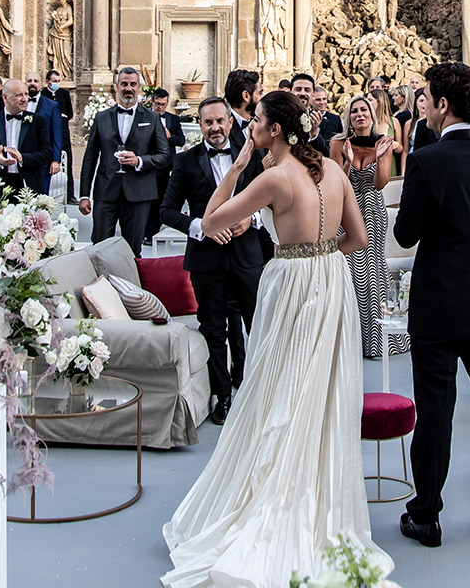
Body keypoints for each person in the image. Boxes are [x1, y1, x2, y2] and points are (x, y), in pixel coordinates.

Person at [162, 90, 380, 588]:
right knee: (318, 392)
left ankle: (275, 494)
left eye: (256, 121)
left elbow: (211, 221)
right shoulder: (332, 167)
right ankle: (314, 495)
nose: (250, 128)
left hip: (291, 281)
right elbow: (360, 241)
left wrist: (238, 166)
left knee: (277, 387)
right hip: (332, 278)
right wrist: (322, 257)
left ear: (275, 129)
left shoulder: (275, 177)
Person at [392, 63, 470, 546]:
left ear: (443, 105)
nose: (423, 104)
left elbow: (406, 234)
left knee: (435, 413)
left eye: (427, 96)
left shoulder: (427, 160)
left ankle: (426, 515)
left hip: (438, 306)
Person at [159, 98, 271, 426]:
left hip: (247, 255)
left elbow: (271, 200)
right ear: (200, 124)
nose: (215, 128)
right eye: (208, 122)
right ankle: (221, 396)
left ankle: (259, 391)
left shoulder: (252, 157)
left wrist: (251, 219)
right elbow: (166, 210)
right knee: (212, 329)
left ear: (230, 122)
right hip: (207, 260)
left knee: (257, 324)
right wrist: (201, 229)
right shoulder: (186, 161)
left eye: (220, 121)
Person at [330, 95, 408, 359]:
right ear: (348, 117)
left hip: (373, 210)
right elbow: (336, 182)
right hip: (345, 210)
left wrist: (379, 155)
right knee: (349, 270)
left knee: (373, 270)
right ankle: (348, 340)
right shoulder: (338, 143)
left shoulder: (382, 142)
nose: (359, 115)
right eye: (354, 111)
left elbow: (380, 183)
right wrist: (350, 161)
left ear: (372, 116)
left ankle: (376, 340)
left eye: (364, 110)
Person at [79, 66, 173, 250]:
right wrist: (84, 194)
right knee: (99, 247)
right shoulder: (101, 118)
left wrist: (139, 161)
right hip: (106, 192)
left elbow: (164, 157)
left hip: (139, 193)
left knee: (132, 250)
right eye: (124, 84)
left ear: (139, 88)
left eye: (132, 84)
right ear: (117, 87)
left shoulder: (152, 118)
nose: (128, 88)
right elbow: (90, 158)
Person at [0, 78, 56, 197]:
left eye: (26, 94)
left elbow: (47, 154)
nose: (25, 99)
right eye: (19, 95)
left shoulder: (38, 121)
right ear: (5, 97)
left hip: (29, 187)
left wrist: (22, 158)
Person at [222, 68, 260, 133]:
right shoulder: (223, 129)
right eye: (260, 93)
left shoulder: (261, 124)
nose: (263, 97)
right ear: (246, 96)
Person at [152, 88, 188, 153]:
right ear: (152, 102)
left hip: (169, 159)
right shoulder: (144, 116)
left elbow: (181, 141)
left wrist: (170, 136)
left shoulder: (174, 118)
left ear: (167, 103)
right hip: (150, 158)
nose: (160, 107)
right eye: (158, 104)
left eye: (163, 104)